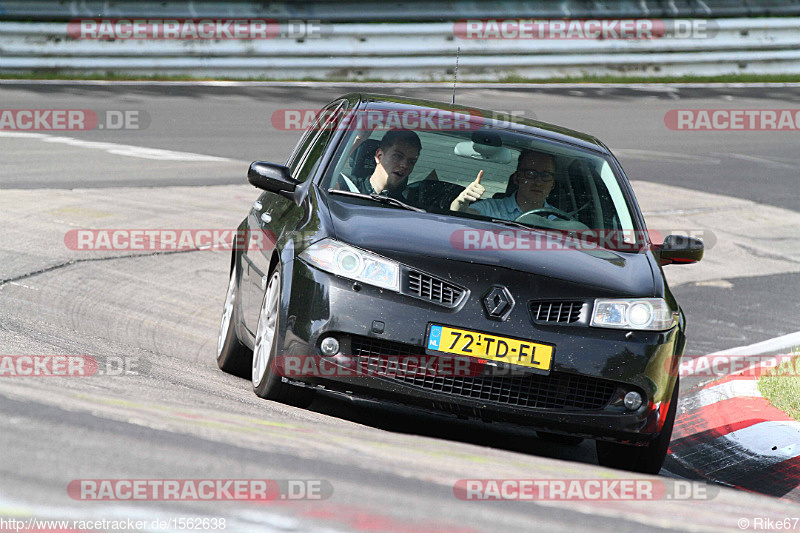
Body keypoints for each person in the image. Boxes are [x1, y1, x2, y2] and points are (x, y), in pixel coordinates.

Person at [450, 149, 557, 220]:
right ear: (517, 178)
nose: (538, 182)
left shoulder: (559, 220)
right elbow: (459, 218)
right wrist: (462, 201)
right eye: (531, 174)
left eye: (546, 175)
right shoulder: (490, 208)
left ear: (553, 184)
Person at [353, 129, 421, 197]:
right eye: (398, 156)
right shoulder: (348, 188)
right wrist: (358, 139)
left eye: (411, 162)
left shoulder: (405, 207)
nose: (405, 165)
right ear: (379, 156)